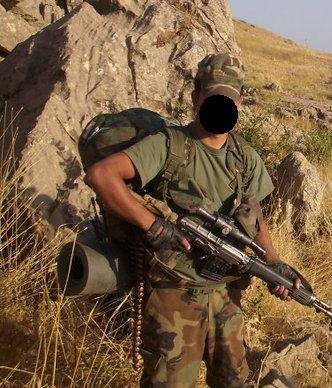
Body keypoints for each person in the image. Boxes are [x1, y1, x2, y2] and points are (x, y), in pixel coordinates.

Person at [85, 53, 299, 388]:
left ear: (239, 102)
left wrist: (274, 264)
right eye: (213, 98)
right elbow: (101, 175)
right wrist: (153, 225)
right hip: (175, 294)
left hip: (226, 294)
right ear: (196, 97)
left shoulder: (245, 157)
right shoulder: (169, 146)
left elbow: (254, 219)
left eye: (228, 100)